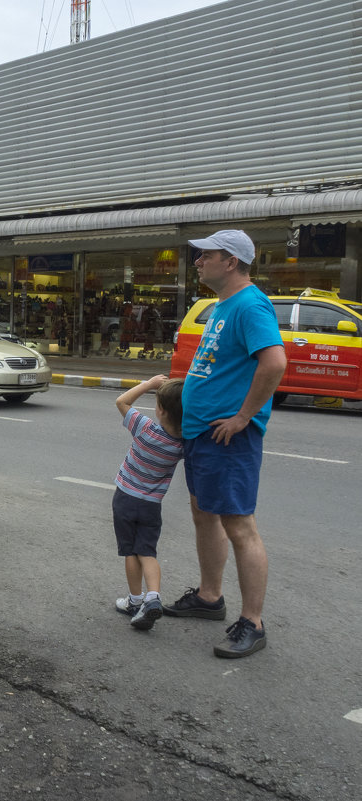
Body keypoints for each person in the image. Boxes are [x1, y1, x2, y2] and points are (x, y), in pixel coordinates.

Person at [163, 230, 286, 658]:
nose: (197, 261)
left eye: (206, 255)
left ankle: (253, 623)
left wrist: (242, 417)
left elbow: (274, 363)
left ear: (230, 261)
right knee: (204, 514)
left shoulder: (251, 304)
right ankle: (210, 597)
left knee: (238, 524)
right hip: (201, 431)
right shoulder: (221, 305)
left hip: (227, 435)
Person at [112, 375, 184, 631]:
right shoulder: (182, 444)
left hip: (125, 499)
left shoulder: (145, 428)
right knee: (147, 551)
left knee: (130, 551)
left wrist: (150, 384)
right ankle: (153, 596)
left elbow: (122, 401)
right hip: (152, 505)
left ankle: (134, 600)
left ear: (161, 410)